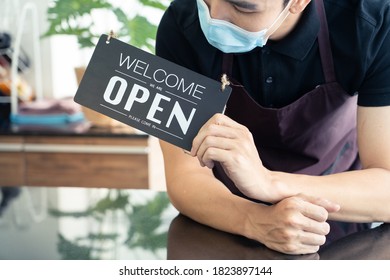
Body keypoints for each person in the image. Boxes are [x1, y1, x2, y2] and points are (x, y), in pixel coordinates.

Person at [155, 0, 390, 255]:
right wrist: (255, 221)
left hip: (340, 219)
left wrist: (268, 183)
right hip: (223, 216)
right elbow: (185, 176)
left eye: (243, 8)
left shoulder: (371, 23)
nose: (213, 17)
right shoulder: (182, 23)